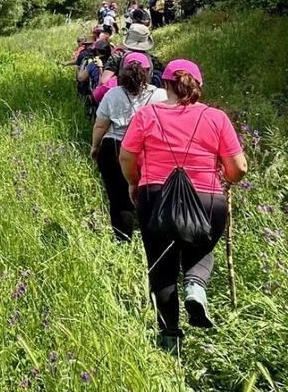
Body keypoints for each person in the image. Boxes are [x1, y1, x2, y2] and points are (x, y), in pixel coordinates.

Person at [119, 59, 248, 351]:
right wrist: (227, 176)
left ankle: (170, 339)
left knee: (162, 268)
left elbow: (126, 157)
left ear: (165, 85)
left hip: (155, 196)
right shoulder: (216, 118)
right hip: (208, 199)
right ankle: (195, 287)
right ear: (198, 87)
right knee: (201, 246)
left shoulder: (147, 115)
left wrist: (133, 182)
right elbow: (238, 168)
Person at [90, 52, 166, 241]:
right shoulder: (160, 95)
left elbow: (101, 124)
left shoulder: (112, 94)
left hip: (114, 147)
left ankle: (122, 239)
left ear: (122, 72)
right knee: (151, 195)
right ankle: (153, 237)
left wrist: (95, 146)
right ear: (149, 72)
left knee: (118, 198)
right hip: (147, 150)